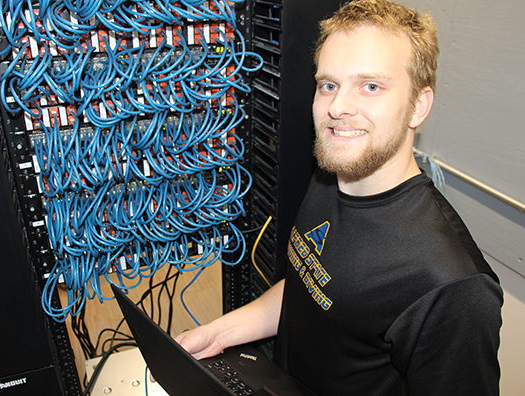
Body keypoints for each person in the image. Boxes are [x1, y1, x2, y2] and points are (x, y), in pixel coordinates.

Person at [175, 1, 503, 395]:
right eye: (329, 85)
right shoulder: (331, 174)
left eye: (370, 86)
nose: (337, 107)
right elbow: (310, 287)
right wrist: (218, 333)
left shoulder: (451, 285)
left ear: (418, 105)